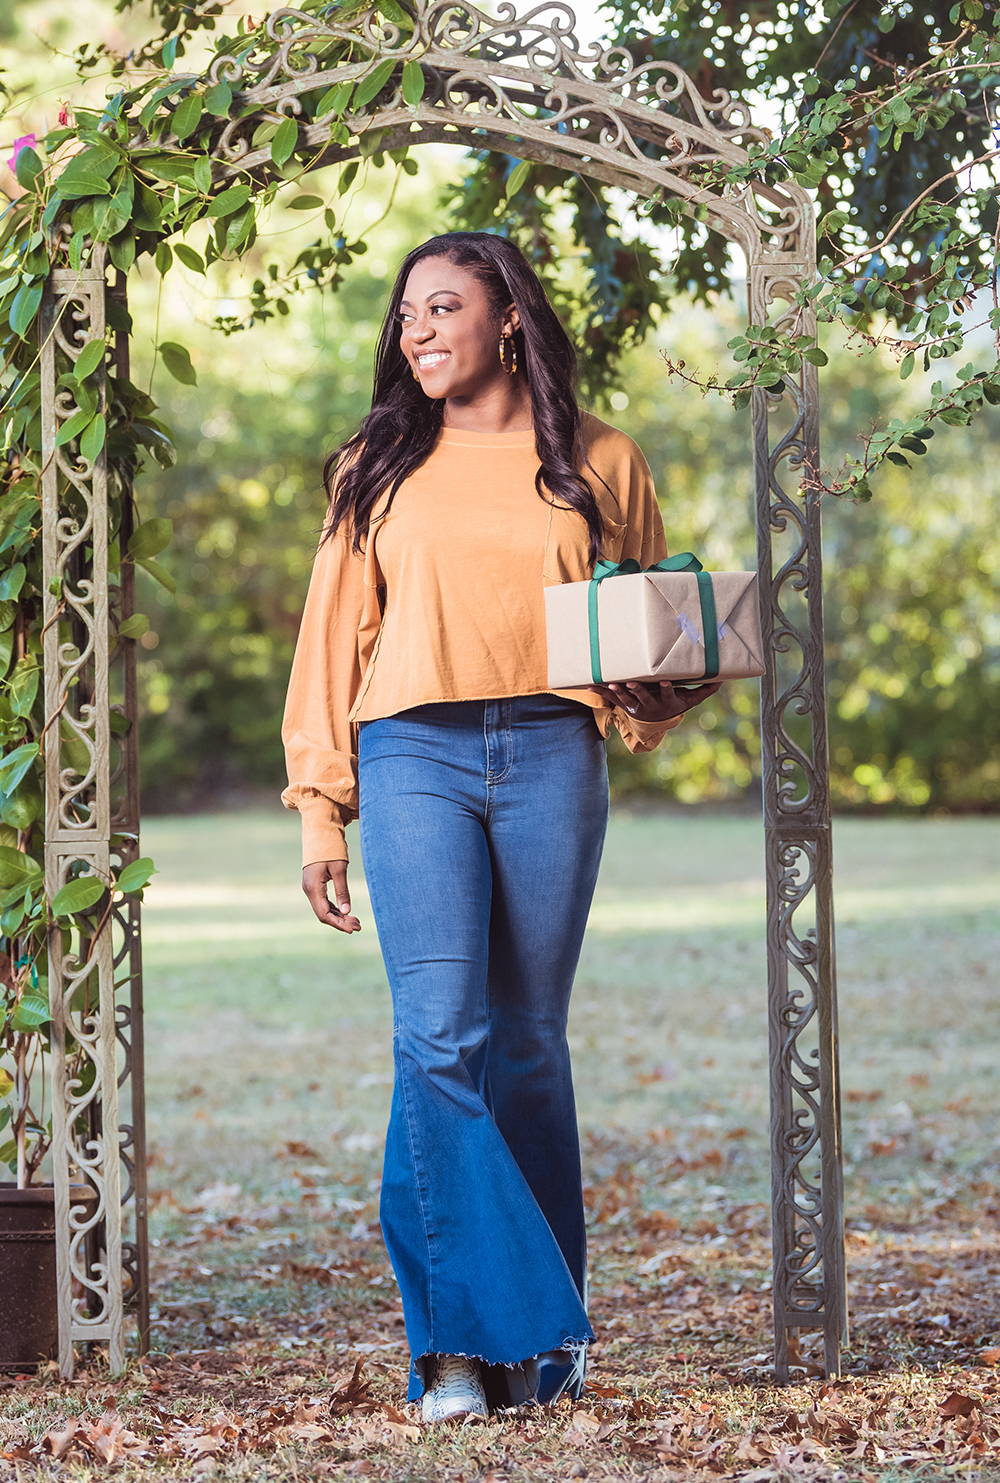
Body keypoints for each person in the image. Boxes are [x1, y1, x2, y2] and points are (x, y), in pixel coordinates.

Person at [280, 230, 722, 1424]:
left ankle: (531, 1349)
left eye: (442, 308)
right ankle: (468, 1347)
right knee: (438, 1037)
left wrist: (667, 684)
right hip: (411, 748)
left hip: (548, 753)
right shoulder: (375, 461)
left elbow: (655, 629)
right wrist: (321, 806)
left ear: (507, 318)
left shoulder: (599, 458)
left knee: (525, 1043)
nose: (416, 332)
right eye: (407, 315)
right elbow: (330, 640)